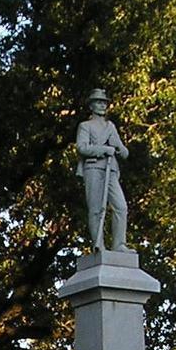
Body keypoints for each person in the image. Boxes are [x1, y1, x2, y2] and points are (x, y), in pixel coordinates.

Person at [75, 88, 132, 251]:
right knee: (96, 209)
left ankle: (119, 244)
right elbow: (82, 148)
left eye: (104, 102)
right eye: (99, 102)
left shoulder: (110, 127)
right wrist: (104, 150)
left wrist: (119, 148)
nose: (102, 105)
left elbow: (124, 152)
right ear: (91, 106)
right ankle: (98, 244)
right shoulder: (85, 126)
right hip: (93, 168)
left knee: (121, 207)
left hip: (111, 170)